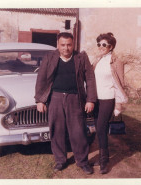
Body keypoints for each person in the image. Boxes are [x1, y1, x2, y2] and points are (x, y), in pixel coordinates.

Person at [34, 32, 97, 175]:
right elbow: (41, 79)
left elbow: (90, 79)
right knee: (57, 131)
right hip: (55, 98)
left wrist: (90, 99)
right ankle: (60, 160)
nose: (66, 48)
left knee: (78, 131)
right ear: (58, 44)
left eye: (69, 45)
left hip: (75, 99)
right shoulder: (50, 57)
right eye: (63, 45)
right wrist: (39, 100)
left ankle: (82, 161)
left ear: (73, 44)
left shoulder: (81, 57)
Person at [92, 32, 128, 174]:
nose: (101, 47)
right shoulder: (97, 60)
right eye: (99, 44)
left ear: (111, 46)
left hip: (108, 98)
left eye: (104, 45)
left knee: (101, 128)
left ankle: (104, 160)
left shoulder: (116, 62)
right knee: (98, 128)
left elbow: (120, 84)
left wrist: (118, 104)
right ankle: (102, 157)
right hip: (95, 99)